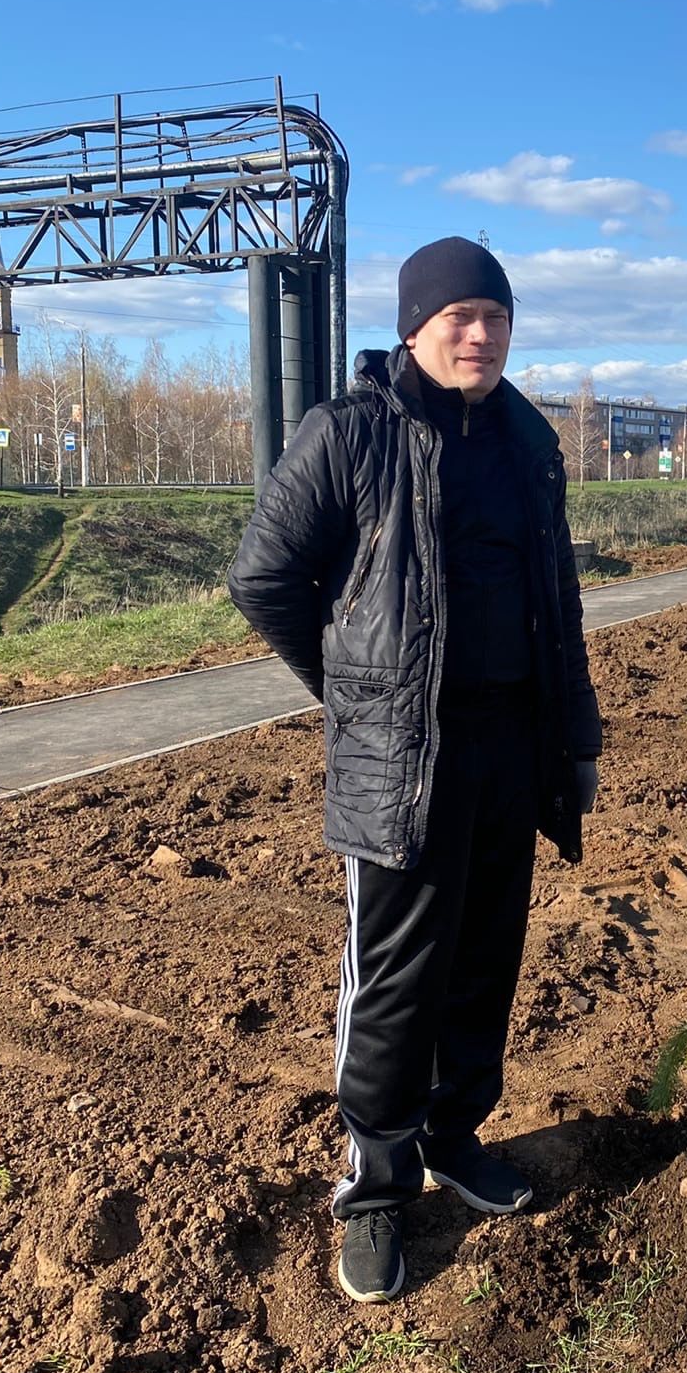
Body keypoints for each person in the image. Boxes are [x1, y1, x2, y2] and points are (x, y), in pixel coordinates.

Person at [228, 236, 602, 1304]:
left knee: (487, 959)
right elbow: (264, 576)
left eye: (496, 315)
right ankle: (378, 1190)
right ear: (413, 327)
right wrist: (354, 693)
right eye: (458, 317)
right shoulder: (349, 433)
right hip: (405, 762)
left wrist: (574, 741)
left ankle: (453, 1134)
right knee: (395, 982)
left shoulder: (529, 439)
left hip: (511, 748)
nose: (479, 334)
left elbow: (560, 606)